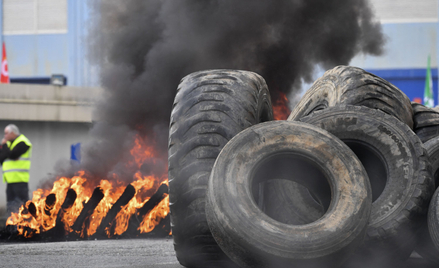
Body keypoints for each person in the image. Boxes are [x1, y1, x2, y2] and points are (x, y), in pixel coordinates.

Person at [0, 124, 32, 214]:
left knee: (22, 205)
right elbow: (1, 158)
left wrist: (5, 146)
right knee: (10, 205)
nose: (4, 136)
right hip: (10, 180)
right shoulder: (9, 144)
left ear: (12, 133)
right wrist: (6, 149)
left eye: (6, 133)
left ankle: (27, 224)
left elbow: (13, 155)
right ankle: (11, 225)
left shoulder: (23, 142)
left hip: (20, 180)